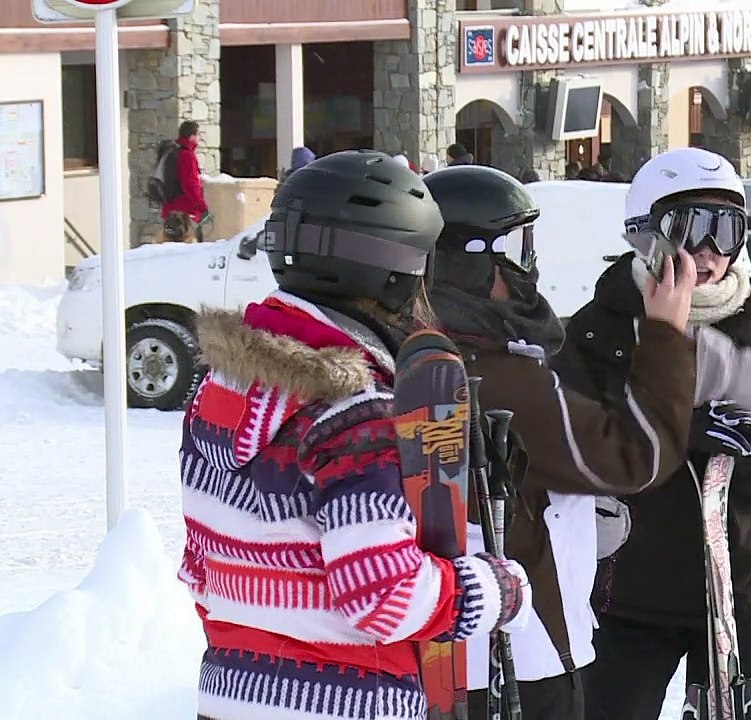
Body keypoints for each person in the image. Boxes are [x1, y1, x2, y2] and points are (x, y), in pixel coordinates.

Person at [177, 150, 531, 720]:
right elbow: (383, 596)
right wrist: (495, 589)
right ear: (394, 274)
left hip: (231, 695)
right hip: (347, 699)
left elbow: (202, 566)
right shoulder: (356, 417)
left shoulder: (219, 390)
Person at [418, 163, 700, 720]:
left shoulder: (419, 356)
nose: (524, 269)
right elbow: (637, 456)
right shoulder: (494, 377)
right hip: (521, 657)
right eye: (510, 249)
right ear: (465, 263)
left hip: (446, 658)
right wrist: (666, 335)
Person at [556, 147, 751, 720]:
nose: (709, 251)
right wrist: (681, 425)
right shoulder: (598, 332)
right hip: (628, 593)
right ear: (646, 234)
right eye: (690, 227)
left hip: (740, 589)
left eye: (727, 230)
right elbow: (576, 453)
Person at [161, 120, 209, 239]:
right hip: (185, 212)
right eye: (198, 134)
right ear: (192, 136)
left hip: (171, 207)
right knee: (189, 249)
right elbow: (190, 184)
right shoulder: (187, 155)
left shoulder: (174, 151)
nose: (199, 138)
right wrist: (202, 206)